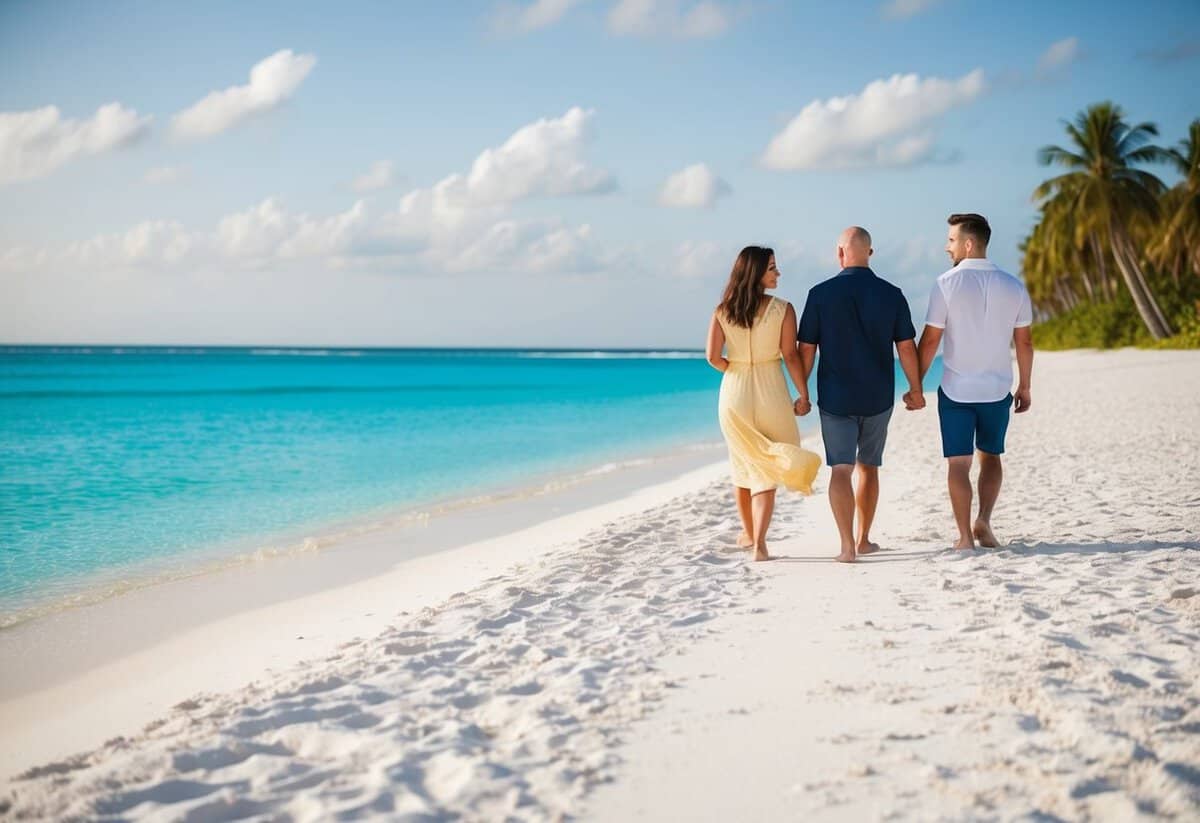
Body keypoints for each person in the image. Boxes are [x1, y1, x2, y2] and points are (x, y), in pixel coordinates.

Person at [797, 227, 924, 564]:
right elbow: (906, 347)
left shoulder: (820, 293)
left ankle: (846, 547)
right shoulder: (891, 294)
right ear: (870, 252)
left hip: (835, 397)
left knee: (840, 469)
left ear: (841, 253)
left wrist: (801, 391)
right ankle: (864, 538)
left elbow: (806, 349)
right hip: (878, 396)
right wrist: (915, 389)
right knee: (869, 467)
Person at [915, 213, 1034, 550]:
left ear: (968, 244)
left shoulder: (945, 284)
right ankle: (984, 519)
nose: (946, 247)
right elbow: (1024, 342)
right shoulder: (1013, 285)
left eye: (951, 240)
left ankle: (965, 537)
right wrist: (1025, 386)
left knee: (959, 463)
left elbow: (929, 342)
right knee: (991, 456)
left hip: (956, 390)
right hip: (997, 390)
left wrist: (915, 385)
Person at [706, 246, 822, 562]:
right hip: (771, 390)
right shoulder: (783, 309)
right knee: (767, 465)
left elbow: (713, 357)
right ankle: (758, 542)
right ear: (756, 272)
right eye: (772, 267)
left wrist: (735, 368)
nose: (778, 273)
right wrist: (803, 394)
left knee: (744, 463)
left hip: (735, 392)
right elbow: (791, 355)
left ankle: (749, 536)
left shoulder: (722, 310)